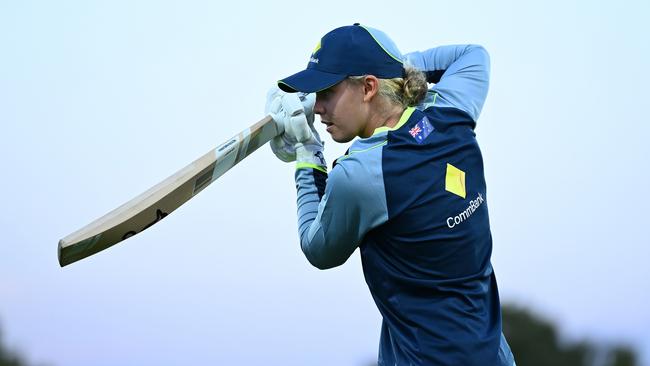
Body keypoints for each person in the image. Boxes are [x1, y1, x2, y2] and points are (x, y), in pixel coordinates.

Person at [265, 23, 516, 366]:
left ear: (368, 87)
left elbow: (317, 247)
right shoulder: (448, 112)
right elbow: (473, 56)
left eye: (326, 92)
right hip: (494, 355)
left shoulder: (360, 174)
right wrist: (397, 74)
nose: (317, 108)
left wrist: (307, 151)